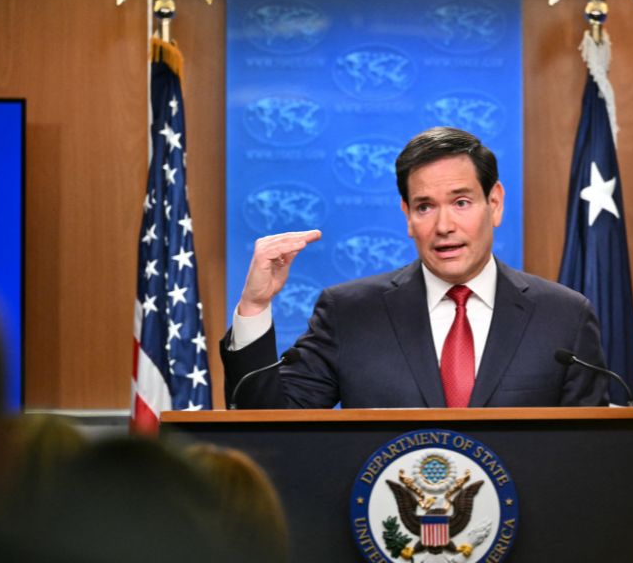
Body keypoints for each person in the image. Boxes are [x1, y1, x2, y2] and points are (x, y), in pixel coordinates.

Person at [221, 126, 609, 408]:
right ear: (407, 216)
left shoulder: (563, 317)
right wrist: (254, 307)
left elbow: (587, 451)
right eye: (425, 207)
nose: (443, 226)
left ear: (495, 204)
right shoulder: (350, 313)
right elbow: (270, 423)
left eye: (461, 202)